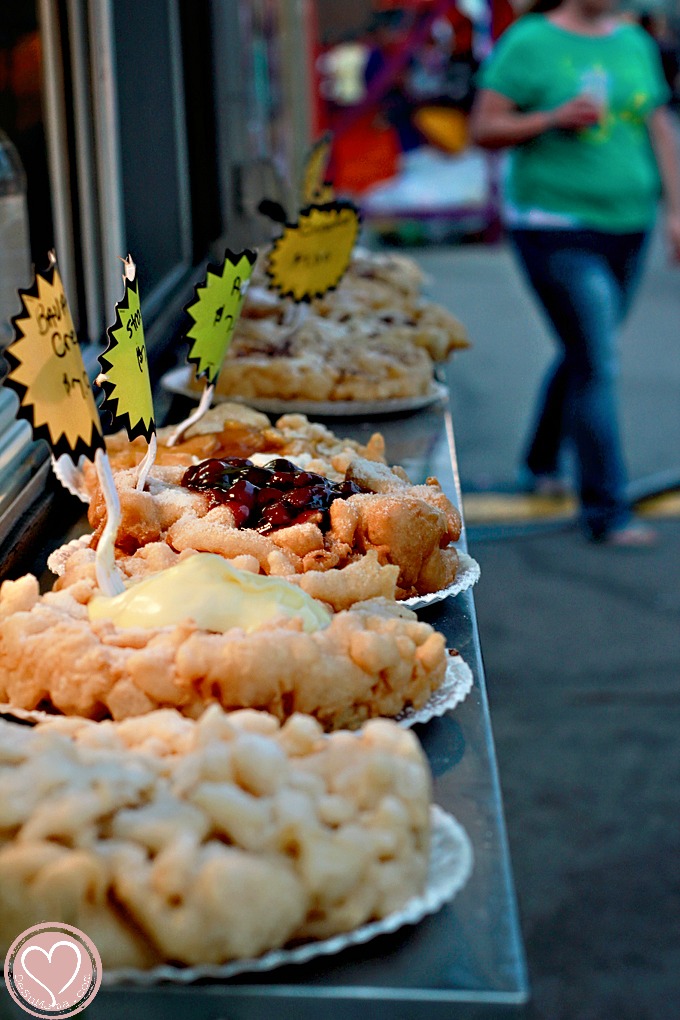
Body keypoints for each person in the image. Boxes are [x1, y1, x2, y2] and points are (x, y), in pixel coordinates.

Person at [470, 0, 680, 545]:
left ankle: (541, 465)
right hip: (553, 225)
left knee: (586, 349)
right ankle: (606, 510)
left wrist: (676, 211)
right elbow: (484, 127)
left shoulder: (633, 40)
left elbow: (659, 127)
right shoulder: (530, 41)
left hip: (628, 225)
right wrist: (550, 118)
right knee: (596, 359)